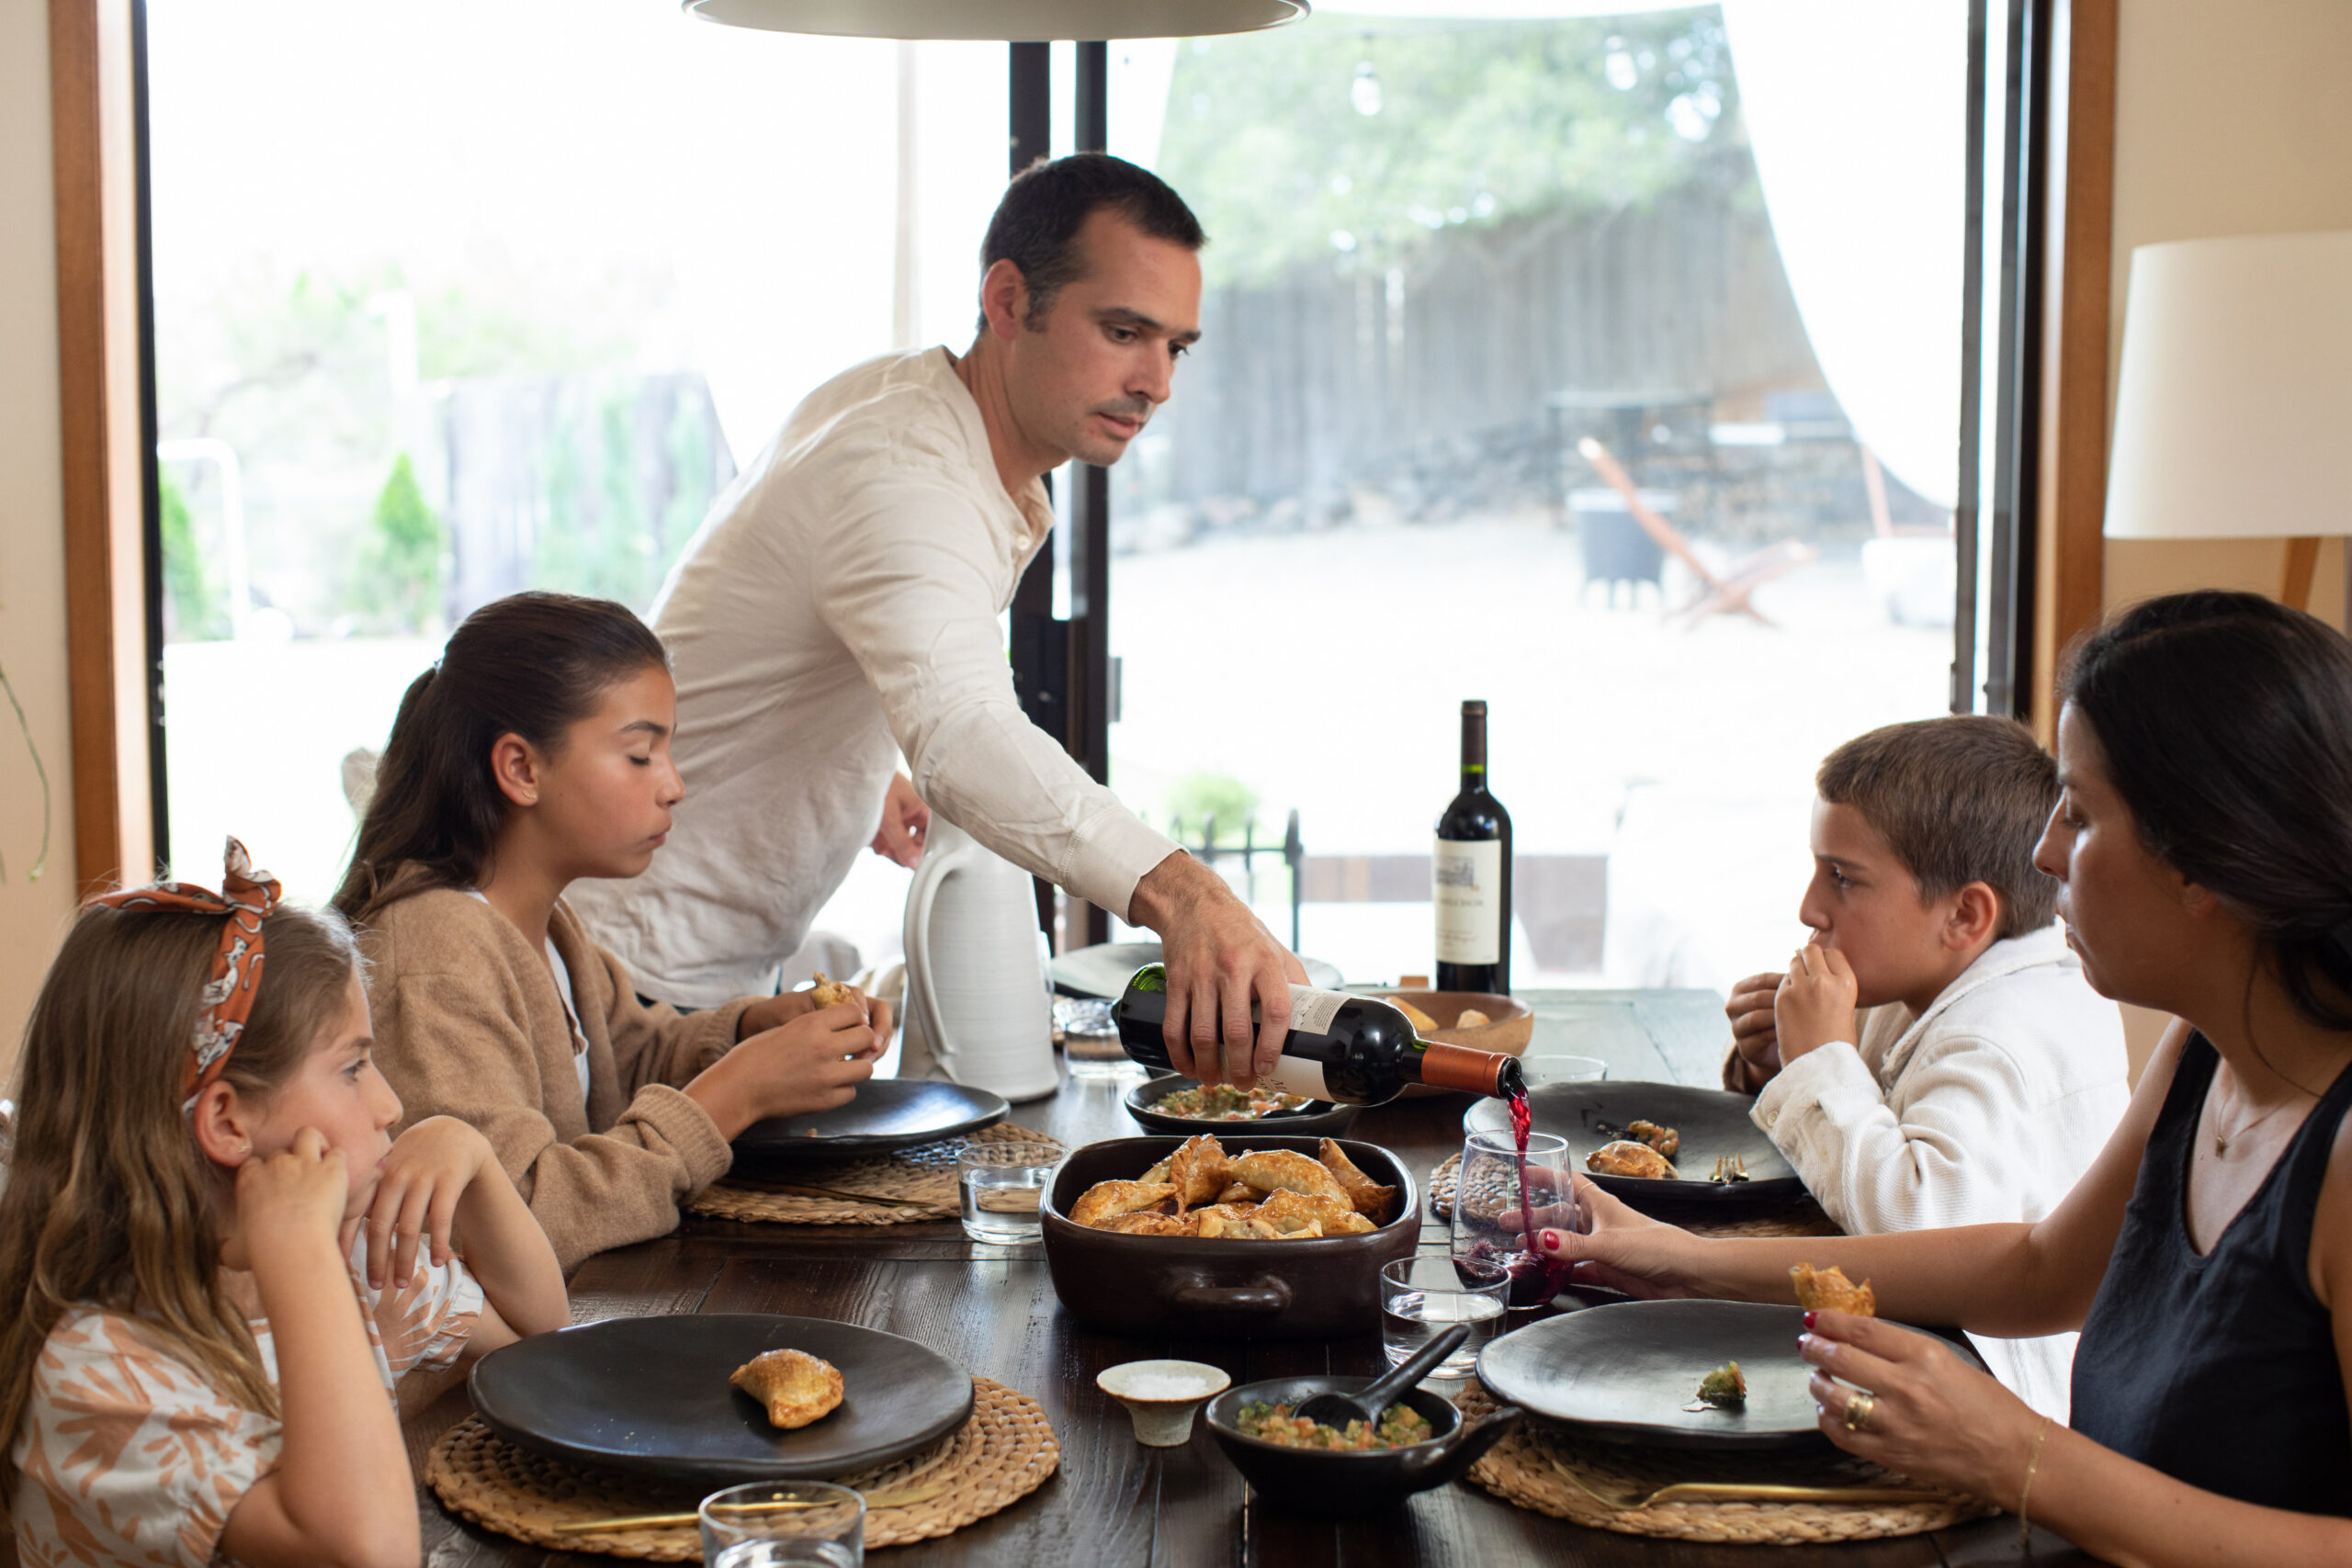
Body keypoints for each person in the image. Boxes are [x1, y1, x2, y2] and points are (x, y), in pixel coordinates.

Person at [1542, 592, 2352, 1560]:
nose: (2046, 852)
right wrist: (1678, 1259)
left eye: (2082, 816)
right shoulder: (2208, 1051)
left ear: (2206, 867)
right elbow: (2035, 1270)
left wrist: (2017, 1457)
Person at [568, 152, 1303, 1089]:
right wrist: (1185, 895)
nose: (1155, 381)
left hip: (689, 972)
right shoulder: (906, 469)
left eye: (1177, 347)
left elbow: (782, 626)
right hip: (635, 991)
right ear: (1007, 300)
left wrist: (859, 760)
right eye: (1124, 331)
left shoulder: (919, 411)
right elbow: (963, 730)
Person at [1, 840, 570, 1568]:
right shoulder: (95, 1371)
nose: (390, 1103)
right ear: (229, 1122)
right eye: (354, 1066)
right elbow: (369, 1551)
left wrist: (474, 1157)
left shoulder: (346, 1254)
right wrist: (302, 1261)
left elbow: (543, 1345)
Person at [334, 592, 889, 1271]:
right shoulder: (435, 952)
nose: (674, 785)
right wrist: (734, 1094)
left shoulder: (545, 924)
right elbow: (511, 1220)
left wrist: (753, 1033)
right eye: (639, 755)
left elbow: (622, 1061)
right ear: (520, 768)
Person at [1718, 716, 2129, 1419]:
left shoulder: (2000, 1037)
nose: (1809, 907)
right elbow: (1870, 1117)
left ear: (1966, 916)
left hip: (2000, 1407)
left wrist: (1821, 1061)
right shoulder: (1926, 983)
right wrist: (1783, 1064)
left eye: (1843, 878)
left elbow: (1921, 1227)